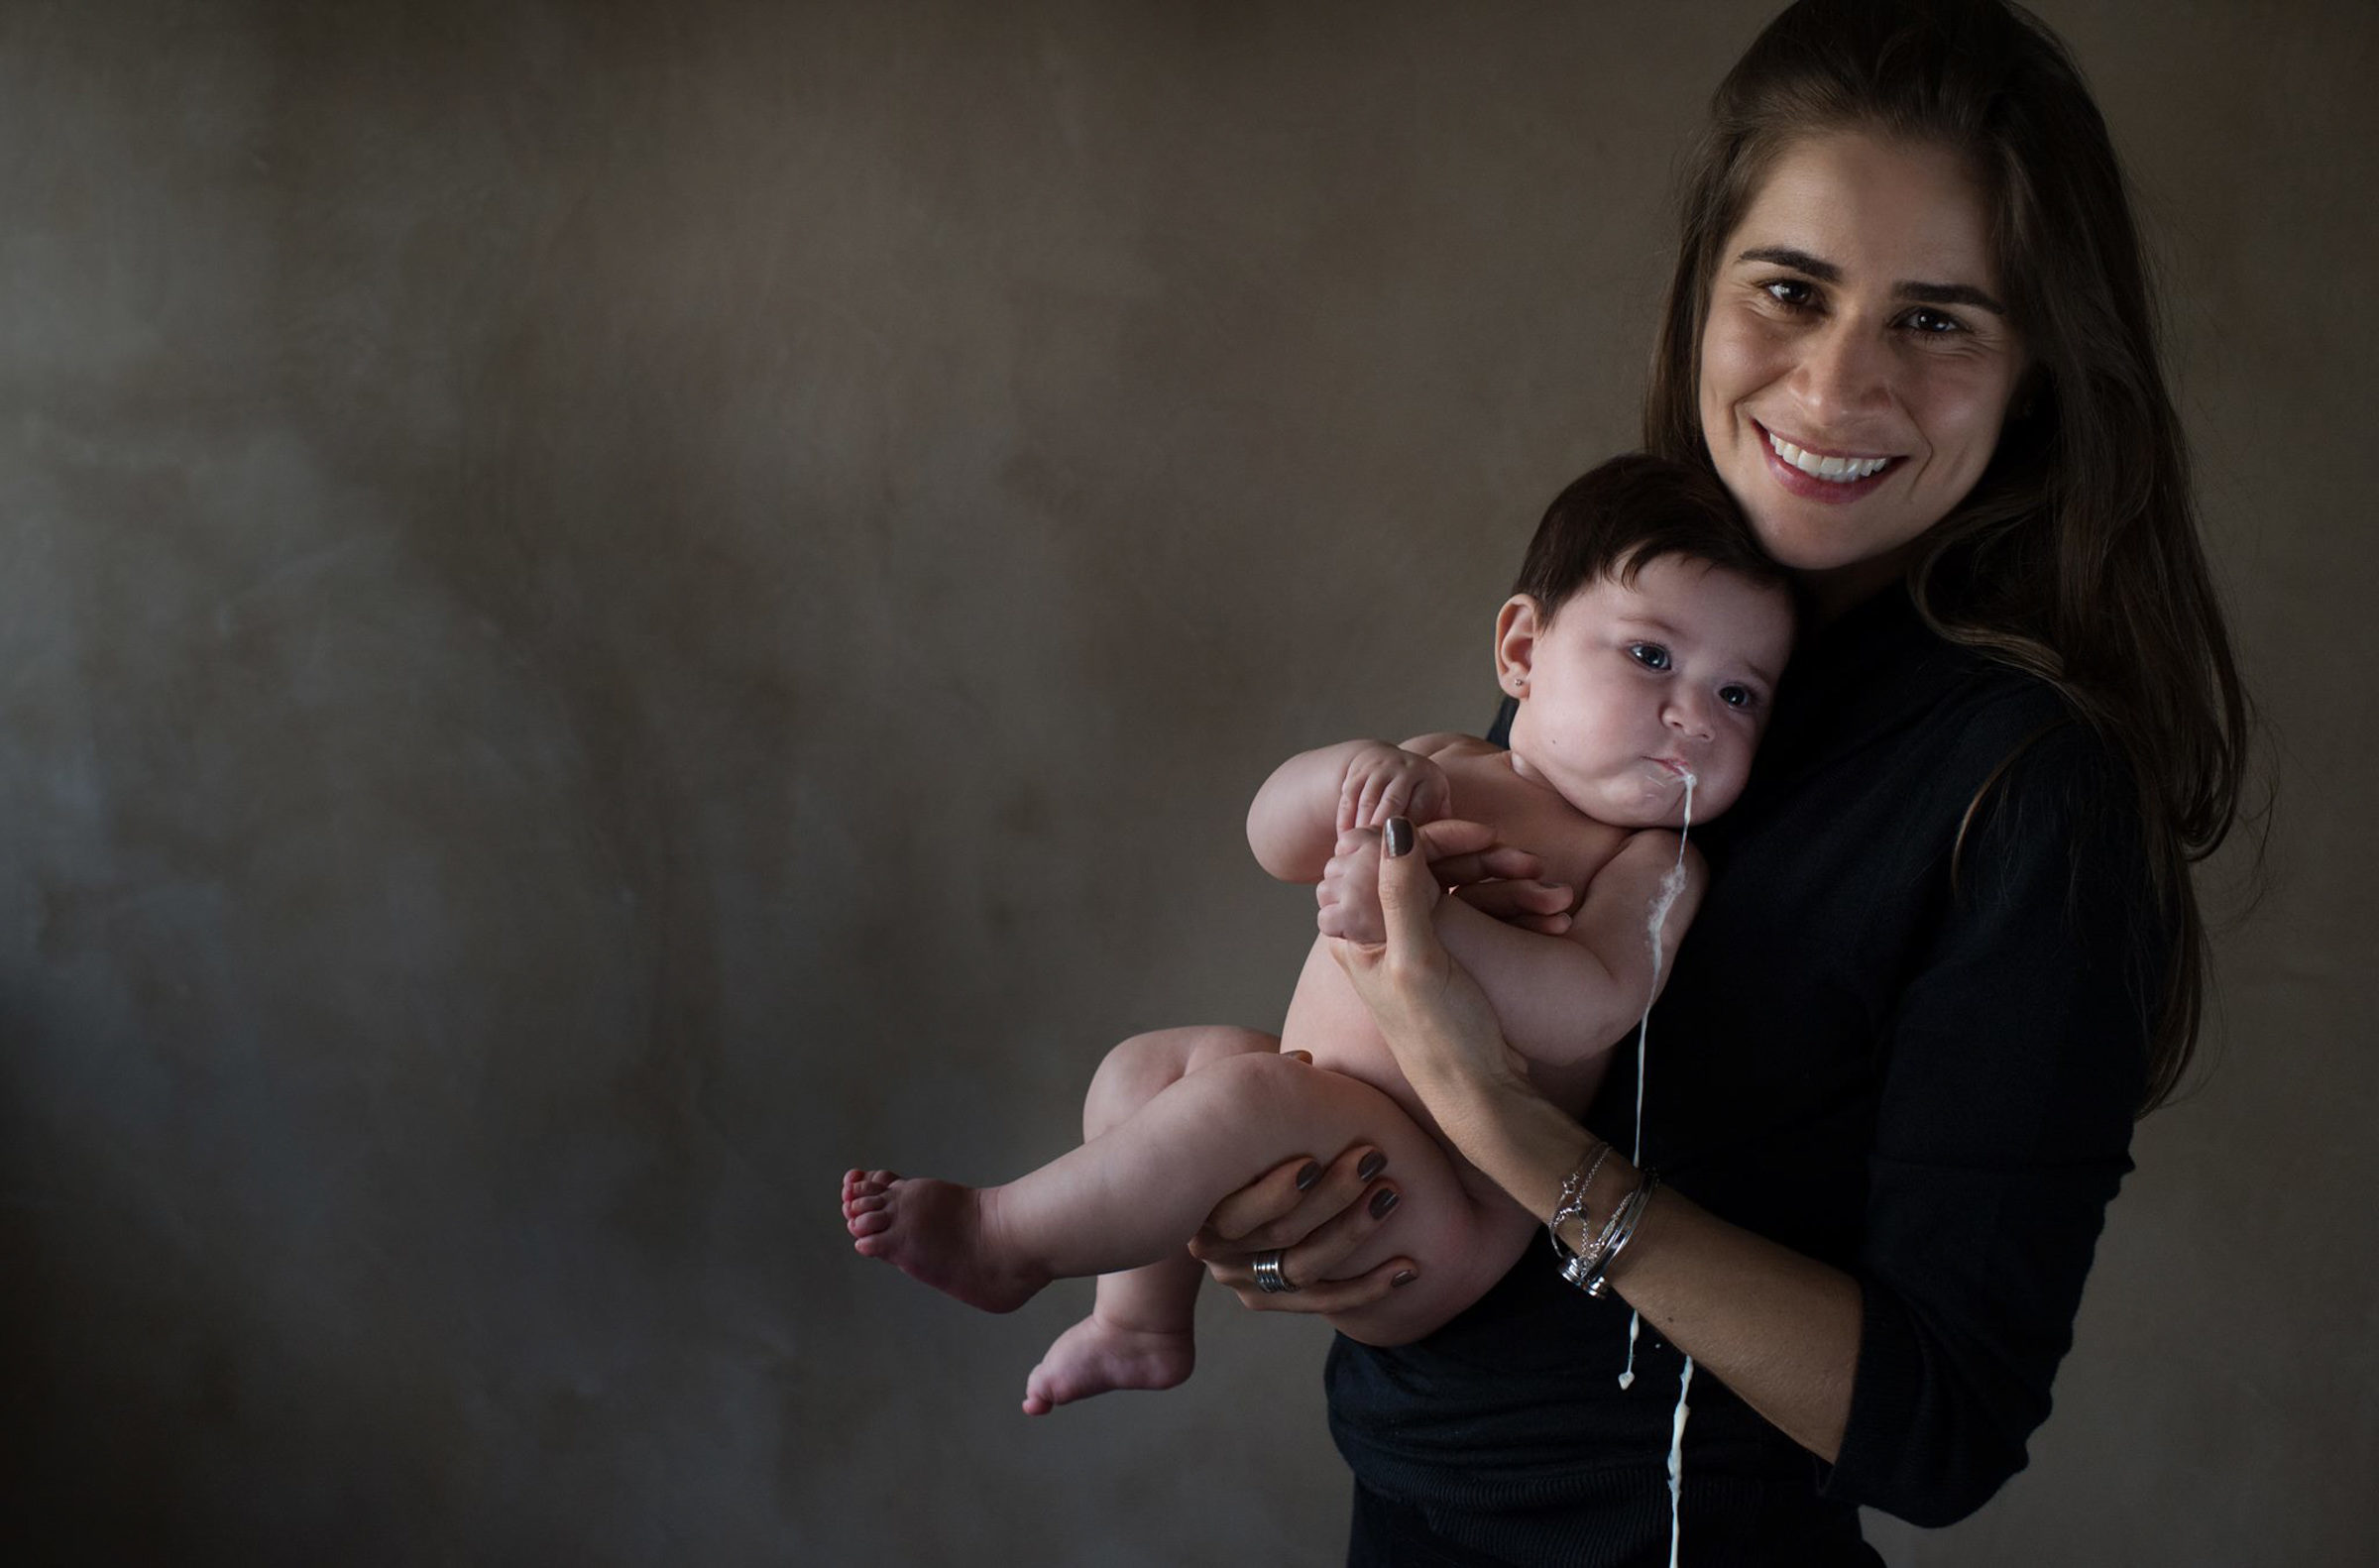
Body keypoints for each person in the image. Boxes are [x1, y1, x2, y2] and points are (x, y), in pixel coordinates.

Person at [1184, 1, 2255, 1562]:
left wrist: (1517, 1143)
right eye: (1792, 288)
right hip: (1408, 1515)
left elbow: (1942, 1427)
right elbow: (1401, 1014)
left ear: (2036, 374)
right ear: (1705, 293)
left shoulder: (2029, 792)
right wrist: (1282, 1196)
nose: (1834, 386)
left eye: (1938, 319)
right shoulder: (1634, 634)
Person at [842, 454, 1796, 1415]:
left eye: (1739, 695)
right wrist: (1350, 773)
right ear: (1522, 651)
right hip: (1327, 1110)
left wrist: (1424, 921)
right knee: (1152, 1067)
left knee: (1255, 1093)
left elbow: (1591, 1007)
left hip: (1449, 1212)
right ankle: (1138, 1322)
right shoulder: (1439, 767)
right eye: (1653, 656)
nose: (1695, 718)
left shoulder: (1650, 862)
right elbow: (1273, 838)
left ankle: (1006, 1241)